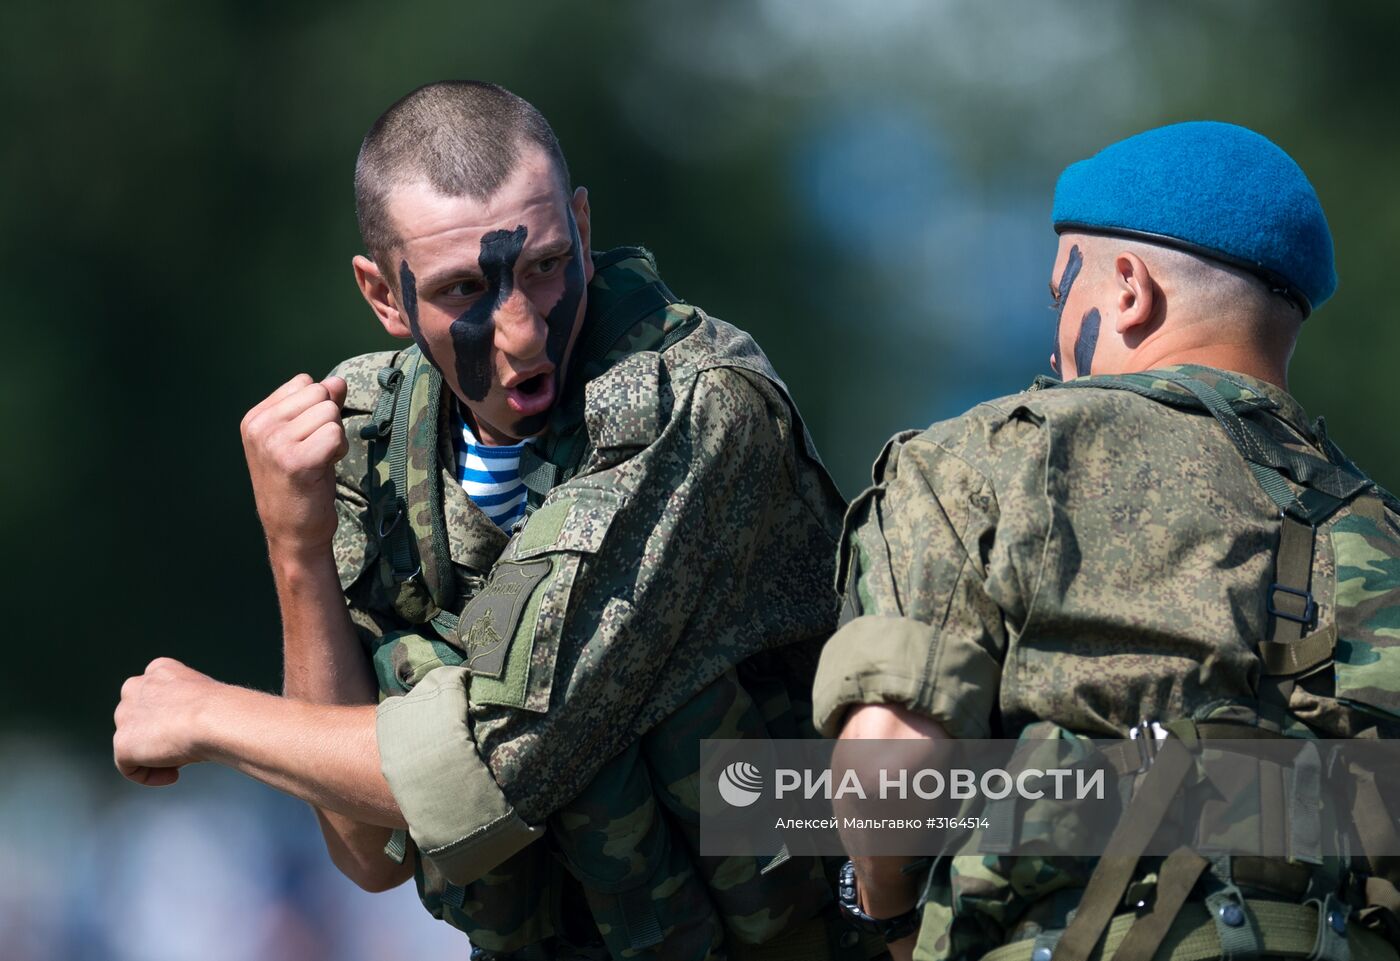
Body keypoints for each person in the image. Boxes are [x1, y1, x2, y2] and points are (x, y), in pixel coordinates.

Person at [113, 81, 871, 960]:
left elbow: (481, 772)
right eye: (465, 287)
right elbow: (367, 850)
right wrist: (297, 551)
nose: (519, 331)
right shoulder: (369, 436)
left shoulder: (687, 407)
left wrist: (207, 715)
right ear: (384, 297)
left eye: (546, 264)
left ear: (583, 229)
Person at [815, 121, 1400, 961]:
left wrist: (889, 918)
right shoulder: (1378, 523)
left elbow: (888, 770)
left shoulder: (990, 462)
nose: (1055, 338)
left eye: (1065, 295)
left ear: (1128, 288)